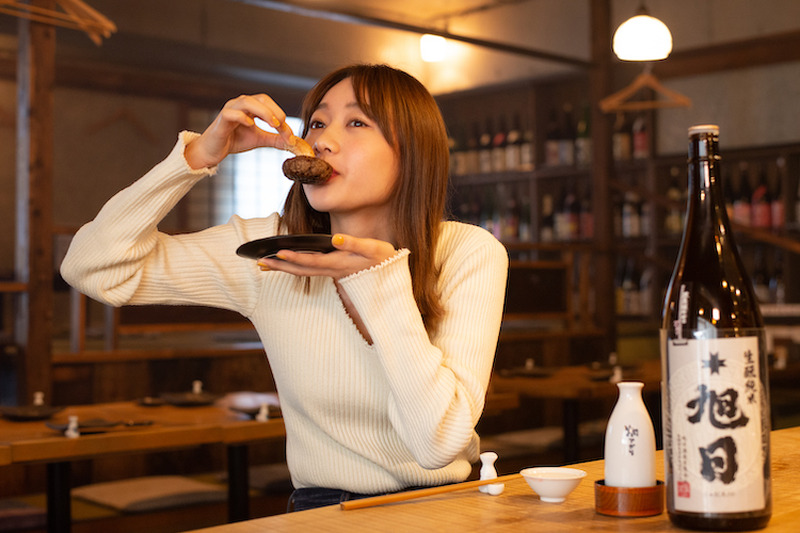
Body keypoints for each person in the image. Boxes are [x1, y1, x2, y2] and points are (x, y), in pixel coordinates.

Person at [60, 64, 508, 511]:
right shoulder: (267, 253)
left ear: (412, 150)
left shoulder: (466, 252)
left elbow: (438, 444)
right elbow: (91, 267)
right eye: (316, 122)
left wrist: (381, 278)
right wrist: (196, 157)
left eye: (356, 122)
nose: (322, 140)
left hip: (444, 509)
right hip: (320, 512)